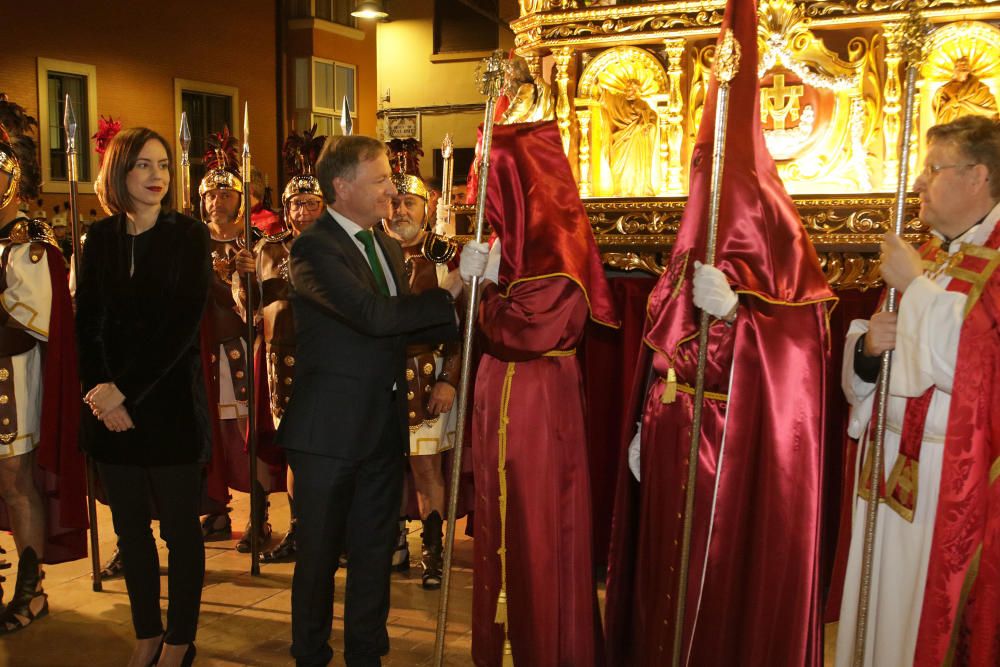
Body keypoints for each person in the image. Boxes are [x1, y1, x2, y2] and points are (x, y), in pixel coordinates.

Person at [604, 3, 835, 665]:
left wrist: (743, 314)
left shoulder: (782, 242)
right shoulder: (687, 244)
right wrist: (646, 425)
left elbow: (801, 356)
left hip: (728, 450)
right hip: (673, 434)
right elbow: (662, 347)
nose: (701, 173)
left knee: (712, 589)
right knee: (661, 588)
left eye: (712, 162)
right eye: (699, 161)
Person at [277, 134, 483, 667]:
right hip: (327, 433)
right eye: (382, 180)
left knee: (373, 556)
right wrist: (452, 293)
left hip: (381, 427)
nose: (393, 190)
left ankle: (367, 655)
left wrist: (457, 294)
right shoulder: (314, 247)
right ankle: (312, 657)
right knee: (320, 559)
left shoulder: (386, 244)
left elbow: (401, 329)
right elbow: (371, 317)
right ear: (342, 187)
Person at [835, 115, 1000, 666]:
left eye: (934, 169)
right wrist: (867, 352)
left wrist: (916, 289)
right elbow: (872, 343)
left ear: (978, 176)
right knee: (877, 613)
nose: (920, 183)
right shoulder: (927, 252)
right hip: (886, 465)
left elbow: (981, 368)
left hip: (948, 474)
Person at [469, 114, 619, 665]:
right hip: (502, 399)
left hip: (536, 405)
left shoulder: (557, 251)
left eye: (490, 182)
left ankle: (546, 648)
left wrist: (479, 291)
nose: (480, 196)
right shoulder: (508, 251)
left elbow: (524, 330)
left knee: (537, 531)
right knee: (499, 528)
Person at [76, 127, 211, 667]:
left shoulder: (189, 236)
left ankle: (180, 639)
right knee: (130, 532)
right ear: (119, 173)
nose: (158, 177)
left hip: (170, 405)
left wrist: (121, 391)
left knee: (180, 532)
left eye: (164, 165)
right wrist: (100, 394)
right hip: (110, 413)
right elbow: (89, 324)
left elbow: (180, 327)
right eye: (144, 166)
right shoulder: (100, 239)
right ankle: (146, 633)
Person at [0, 94, 85, 634]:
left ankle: (31, 590)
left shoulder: (30, 244)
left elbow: (37, 325)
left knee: (15, 479)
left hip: (13, 381)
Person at [383, 141, 462, 590]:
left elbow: (460, 324)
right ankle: (393, 541)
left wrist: (449, 379)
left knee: (426, 467)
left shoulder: (445, 253)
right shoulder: (372, 251)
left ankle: (433, 549)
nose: (399, 210)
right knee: (385, 464)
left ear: (425, 206)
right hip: (382, 378)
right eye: (393, 201)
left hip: (428, 374)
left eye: (408, 201)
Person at [197, 128, 273, 554]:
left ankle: (258, 516)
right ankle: (216, 507)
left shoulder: (259, 243)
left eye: (225, 194)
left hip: (247, 347)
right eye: (209, 195)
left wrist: (249, 276)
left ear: (241, 199)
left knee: (250, 433)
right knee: (212, 431)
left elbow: (271, 299)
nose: (216, 201)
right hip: (207, 349)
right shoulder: (192, 242)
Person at [256, 126, 327, 564]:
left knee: (327, 445)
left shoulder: (338, 247)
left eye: (312, 202)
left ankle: (329, 528)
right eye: (296, 203)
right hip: (282, 356)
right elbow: (258, 302)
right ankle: (300, 527)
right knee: (296, 449)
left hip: (325, 354)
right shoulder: (269, 247)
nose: (303, 210)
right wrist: (245, 281)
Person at [932, 56, 999, 125]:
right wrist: (951, 103)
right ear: (955, 68)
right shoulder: (944, 90)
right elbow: (939, 115)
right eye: (961, 64)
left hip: (976, 129)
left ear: (970, 68)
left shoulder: (980, 88)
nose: (964, 66)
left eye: (966, 64)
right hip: (952, 129)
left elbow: (992, 111)